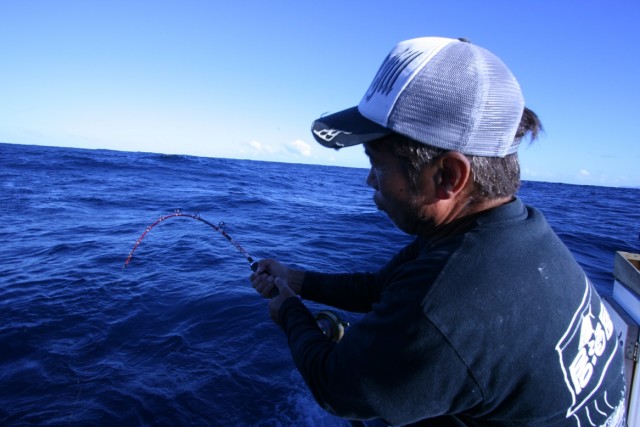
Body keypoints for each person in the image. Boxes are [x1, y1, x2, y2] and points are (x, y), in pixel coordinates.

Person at [250, 36, 626, 426]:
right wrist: (294, 280)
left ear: (448, 175)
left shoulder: (445, 303)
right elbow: (382, 287)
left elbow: (335, 386)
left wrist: (289, 311)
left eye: (376, 163)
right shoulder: (513, 227)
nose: (369, 181)